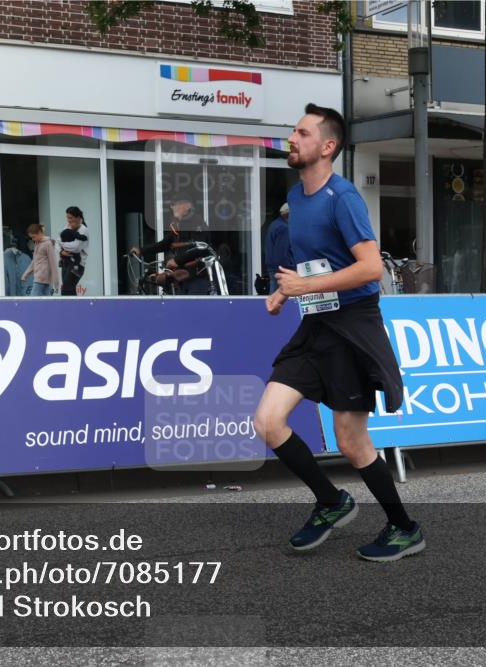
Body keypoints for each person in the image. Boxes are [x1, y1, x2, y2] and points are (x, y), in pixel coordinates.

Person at [253, 103, 423, 562]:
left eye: (302, 133)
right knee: (267, 421)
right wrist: (285, 291)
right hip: (316, 321)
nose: (292, 138)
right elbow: (314, 263)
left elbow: (370, 268)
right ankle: (331, 501)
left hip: (352, 325)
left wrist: (305, 287)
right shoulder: (297, 197)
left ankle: (404, 527)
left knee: (351, 441)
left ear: (328, 146)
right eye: (293, 131)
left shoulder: (342, 197)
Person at [130, 194, 213, 295]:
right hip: (182, 278)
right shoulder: (178, 225)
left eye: (175, 204)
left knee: (193, 304)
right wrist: (141, 250)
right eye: (171, 205)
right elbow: (164, 244)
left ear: (188, 206)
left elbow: (200, 247)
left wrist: (177, 260)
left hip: (197, 277)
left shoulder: (197, 222)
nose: (172, 207)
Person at [264, 202, 295, 294]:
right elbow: (281, 252)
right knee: (281, 296)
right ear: (289, 214)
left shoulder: (275, 224)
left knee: (274, 295)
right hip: (282, 268)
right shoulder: (284, 228)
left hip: (275, 267)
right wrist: (291, 267)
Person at [22, 223, 60, 296]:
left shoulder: (48, 244)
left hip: (41, 278)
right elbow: (34, 261)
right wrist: (26, 274)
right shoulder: (37, 243)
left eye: (34, 237)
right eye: (31, 237)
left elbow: (53, 263)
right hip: (41, 278)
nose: (32, 239)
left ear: (39, 233)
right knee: (47, 299)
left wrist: (56, 283)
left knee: (33, 299)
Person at [59, 206, 89, 295]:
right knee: (69, 290)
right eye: (67, 218)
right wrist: (61, 251)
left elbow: (76, 248)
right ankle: (73, 304)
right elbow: (57, 242)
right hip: (65, 262)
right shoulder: (67, 227)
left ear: (78, 217)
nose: (68, 220)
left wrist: (62, 244)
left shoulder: (83, 229)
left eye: (71, 218)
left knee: (66, 290)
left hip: (77, 265)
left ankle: (70, 304)